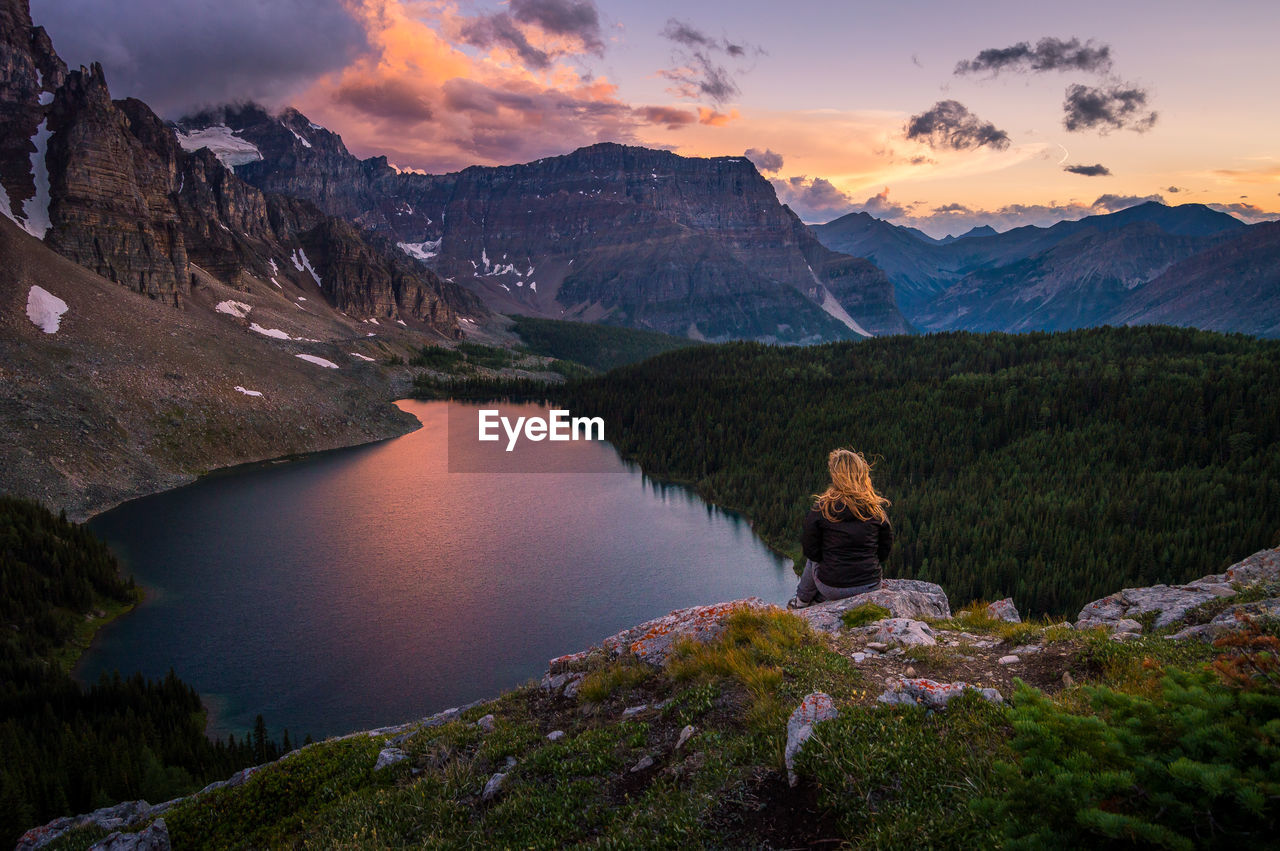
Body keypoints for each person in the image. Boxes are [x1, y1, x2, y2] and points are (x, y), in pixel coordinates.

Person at [787, 448, 894, 610]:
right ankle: (819, 598)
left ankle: (801, 602)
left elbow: (811, 551)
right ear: (861, 474)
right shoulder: (875, 509)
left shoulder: (822, 508)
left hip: (831, 587)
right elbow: (884, 550)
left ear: (836, 475)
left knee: (814, 560)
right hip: (870, 585)